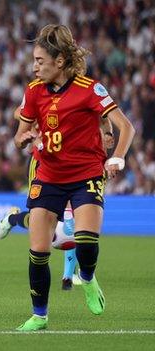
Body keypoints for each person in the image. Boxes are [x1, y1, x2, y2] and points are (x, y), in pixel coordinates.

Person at [13, 24, 134, 331]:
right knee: (38, 252)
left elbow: (126, 127)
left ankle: (88, 278)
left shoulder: (89, 88)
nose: (35, 66)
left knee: (85, 242)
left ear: (60, 62)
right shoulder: (33, 91)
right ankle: (39, 316)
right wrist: (23, 137)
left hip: (86, 173)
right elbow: (18, 136)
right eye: (34, 60)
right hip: (49, 174)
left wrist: (117, 156)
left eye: (41, 61)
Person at [0, 107, 116, 291]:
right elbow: (19, 112)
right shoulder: (45, 90)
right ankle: (13, 218)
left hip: (81, 164)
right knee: (46, 225)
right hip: (45, 162)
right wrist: (35, 133)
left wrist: (108, 134)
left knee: (74, 220)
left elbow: (105, 118)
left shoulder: (87, 93)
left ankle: (68, 276)